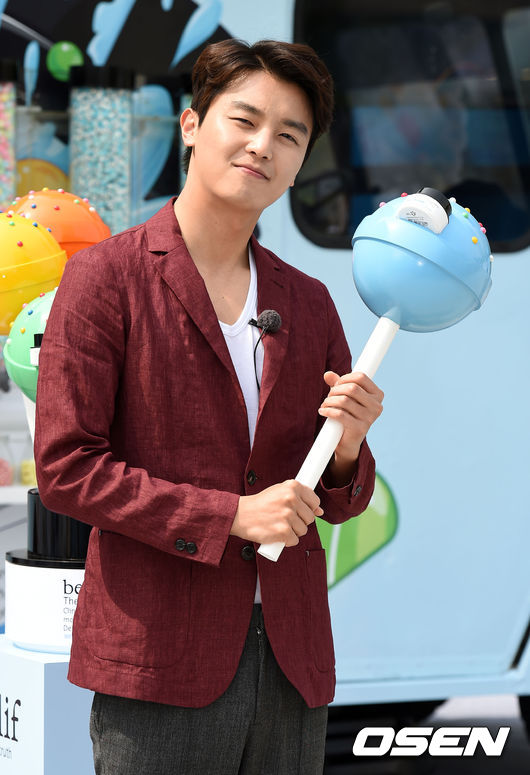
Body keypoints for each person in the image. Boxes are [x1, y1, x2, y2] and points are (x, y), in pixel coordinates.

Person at [34, 38, 384, 775]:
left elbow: (339, 499)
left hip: (290, 663)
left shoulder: (308, 302)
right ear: (192, 125)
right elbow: (68, 470)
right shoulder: (104, 279)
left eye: (289, 135)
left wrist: (349, 446)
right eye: (245, 120)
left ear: (299, 164)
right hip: (158, 658)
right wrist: (230, 516)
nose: (263, 146)